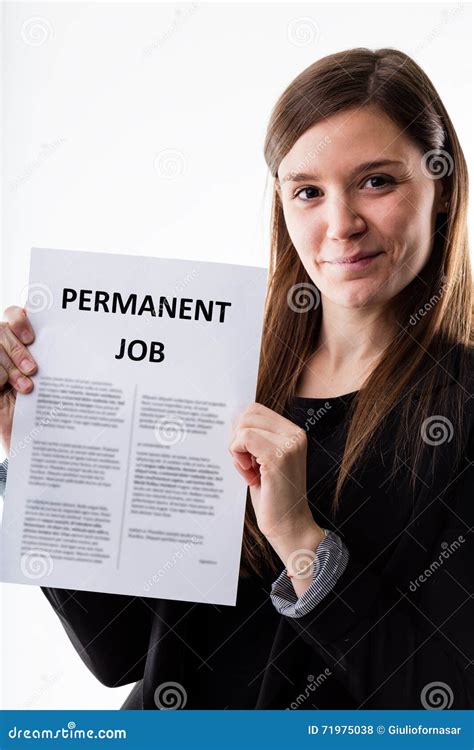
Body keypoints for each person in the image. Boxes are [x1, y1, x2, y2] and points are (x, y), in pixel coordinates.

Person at [0, 47, 473, 710]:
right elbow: (121, 651)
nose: (340, 225)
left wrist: (301, 541)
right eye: (307, 191)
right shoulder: (217, 369)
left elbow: (447, 702)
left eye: (376, 181)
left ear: (442, 184)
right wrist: (41, 449)